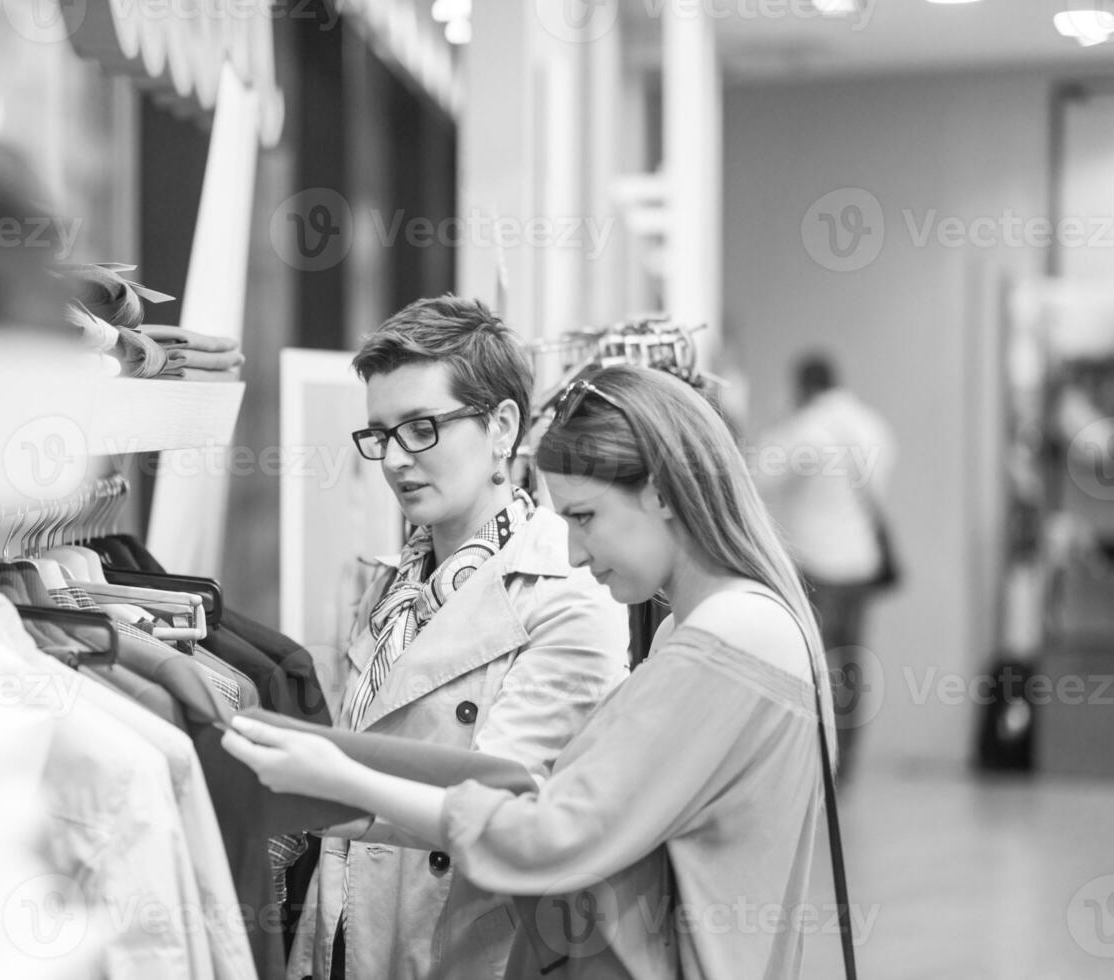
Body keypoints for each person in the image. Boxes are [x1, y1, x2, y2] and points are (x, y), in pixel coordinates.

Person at [225, 364, 838, 979]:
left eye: (585, 517)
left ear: (661, 492)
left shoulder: (724, 640)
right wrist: (341, 792)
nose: (571, 550)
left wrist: (348, 783)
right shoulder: (716, 625)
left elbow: (554, 832)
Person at [283, 296, 629, 980]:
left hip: (463, 949)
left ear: (501, 427)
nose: (394, 460)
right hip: (345, 935)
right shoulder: (392, 582)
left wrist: (322, 789)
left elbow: (506, 809)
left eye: (420, 428)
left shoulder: (565, 596)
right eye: (380, 433)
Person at [756, 353, 896, 780]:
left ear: (802, 386)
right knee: (850, 668)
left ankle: (811, 762)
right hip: (861, 566)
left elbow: (757, 474)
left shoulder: (807, 429)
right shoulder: (874, 426)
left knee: (809, 667)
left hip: (817, 565)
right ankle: (844, 767)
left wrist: (782, 419)